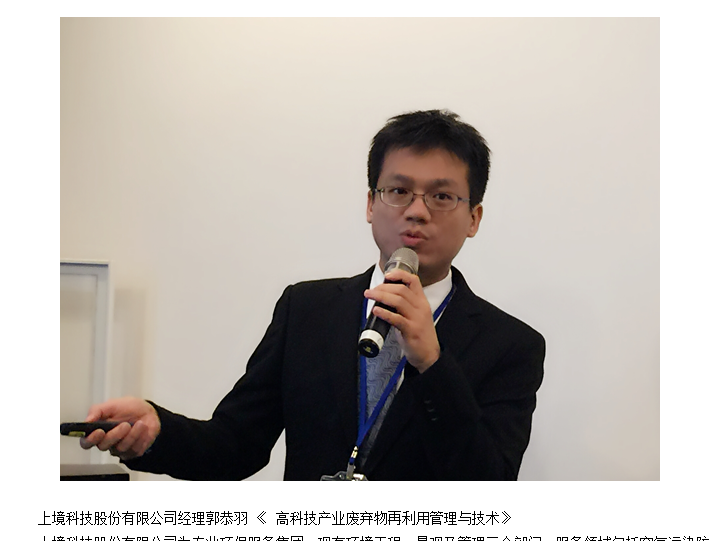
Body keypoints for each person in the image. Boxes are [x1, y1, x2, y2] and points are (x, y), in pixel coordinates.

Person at [80, 109, 545, 480]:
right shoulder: (307, 310)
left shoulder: (511, 346)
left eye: (441, 197)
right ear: (371, 204)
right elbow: (236, 445)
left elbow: (489, 482)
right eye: (399, 190)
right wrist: (157, 432)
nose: (417, 211)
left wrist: (433, 364)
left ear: (474, 218)